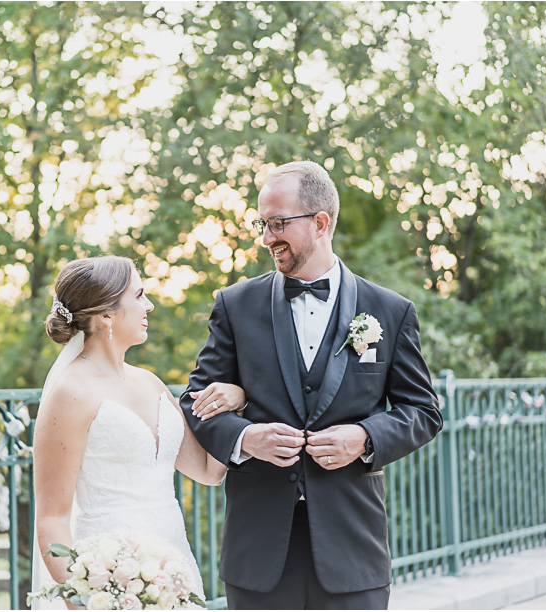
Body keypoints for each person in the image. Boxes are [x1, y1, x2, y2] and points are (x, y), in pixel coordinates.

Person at [180, 161, 443, 610]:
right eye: (262, 224)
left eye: (278, 223)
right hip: (258, 550)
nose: (266, 237)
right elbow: (194, 402)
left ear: (320, 222)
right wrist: (245, 439)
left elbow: (423, 411)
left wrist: (364, 438)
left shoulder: (391, 311)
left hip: (352, 548)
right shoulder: (235, 305)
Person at [31, 255, 246, 609]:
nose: (149, 305)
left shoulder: (151, 383)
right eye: (139, 295)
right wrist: (86, 594)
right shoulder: (70, 393)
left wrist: (237, 400)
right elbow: (52, 517)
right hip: (107, 576)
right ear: (106, 315)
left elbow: (208, 471)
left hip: (174, 567)